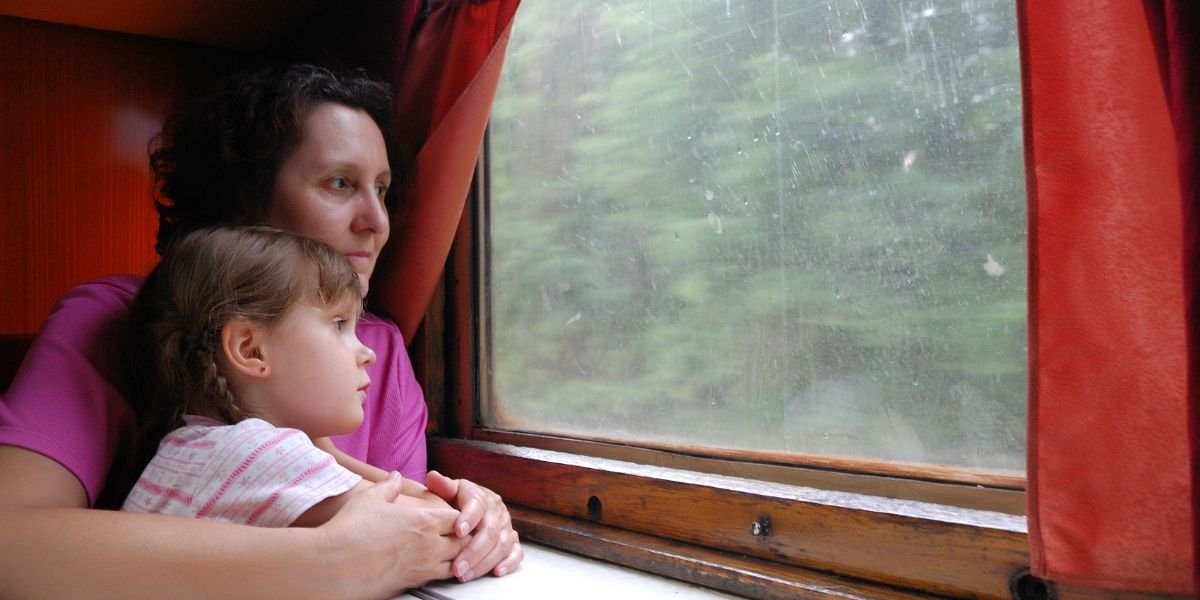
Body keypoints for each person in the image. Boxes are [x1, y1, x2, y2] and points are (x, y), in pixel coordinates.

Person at [0, 64, 521, 597]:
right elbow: (8, 540)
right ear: (245, 201)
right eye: (340, 183)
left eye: (382, 190)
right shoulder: (106, 319)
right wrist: (327, 562)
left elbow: (410, 531)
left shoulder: (380, 349)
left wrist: (479, 516)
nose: (377, 221)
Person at [123, 226, 439, 527]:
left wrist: (329, 454)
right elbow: (430, 527)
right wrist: (470, 503)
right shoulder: (254, 453)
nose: (368, 353)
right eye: (339, 324)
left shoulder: (199, 449)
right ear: (251, 350)